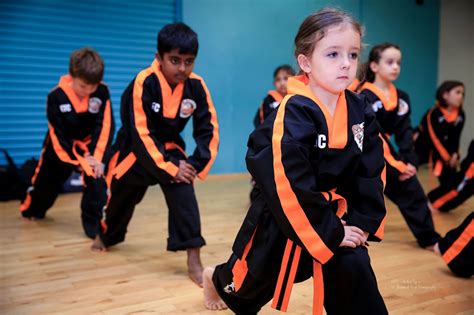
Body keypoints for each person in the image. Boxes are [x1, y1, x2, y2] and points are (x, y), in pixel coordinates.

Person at [203, 8, 388, 314]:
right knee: (248, 285)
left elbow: (371, 169)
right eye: (332, 54)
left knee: (354, 269)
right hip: (285, 215)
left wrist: (361, 223)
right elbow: (289, 183)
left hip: (338, 215)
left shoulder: (360, 109)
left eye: (353, 55)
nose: (345, 63)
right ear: (305, 62)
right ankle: (217, 278)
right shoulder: (293, 112)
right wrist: (331, 231)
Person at [91, 22, 219, 288]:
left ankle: (193, 258)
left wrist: (193, 165)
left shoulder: (196, 86)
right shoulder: (143, 83)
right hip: (134, 153)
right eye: (174, 60)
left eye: (189, 61)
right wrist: (170, 167)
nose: (182, 68)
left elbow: (208, 129)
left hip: (170, 148)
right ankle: (106, 235)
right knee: (120, 201)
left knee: (184, 191)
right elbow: (140, 133)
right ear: (159, 57)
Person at [20, 47, 114, 239]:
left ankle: (94, 229)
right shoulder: (55, 96)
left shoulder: (102, 92)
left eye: (92, 86)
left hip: (89, 148)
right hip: (61, 148)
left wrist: (95, 158)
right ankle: (31, 209)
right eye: (82, 86)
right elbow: (57, 136)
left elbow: (104, 126)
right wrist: (78, 161)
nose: (88, 91)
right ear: (72, 76)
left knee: (96, 180)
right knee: (44, 187)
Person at [359, 43, 441, 249]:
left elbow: (405, 132)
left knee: (412, 190)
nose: (395, 67)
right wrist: (397, 166)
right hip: (364, 154)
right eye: (389, 62)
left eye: (398, 63)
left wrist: (409, 160)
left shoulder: (402, 97)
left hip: (389, 154)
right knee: (359, 196)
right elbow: (373, 136)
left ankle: (429, 238)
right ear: (375, 66)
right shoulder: (361, 96)